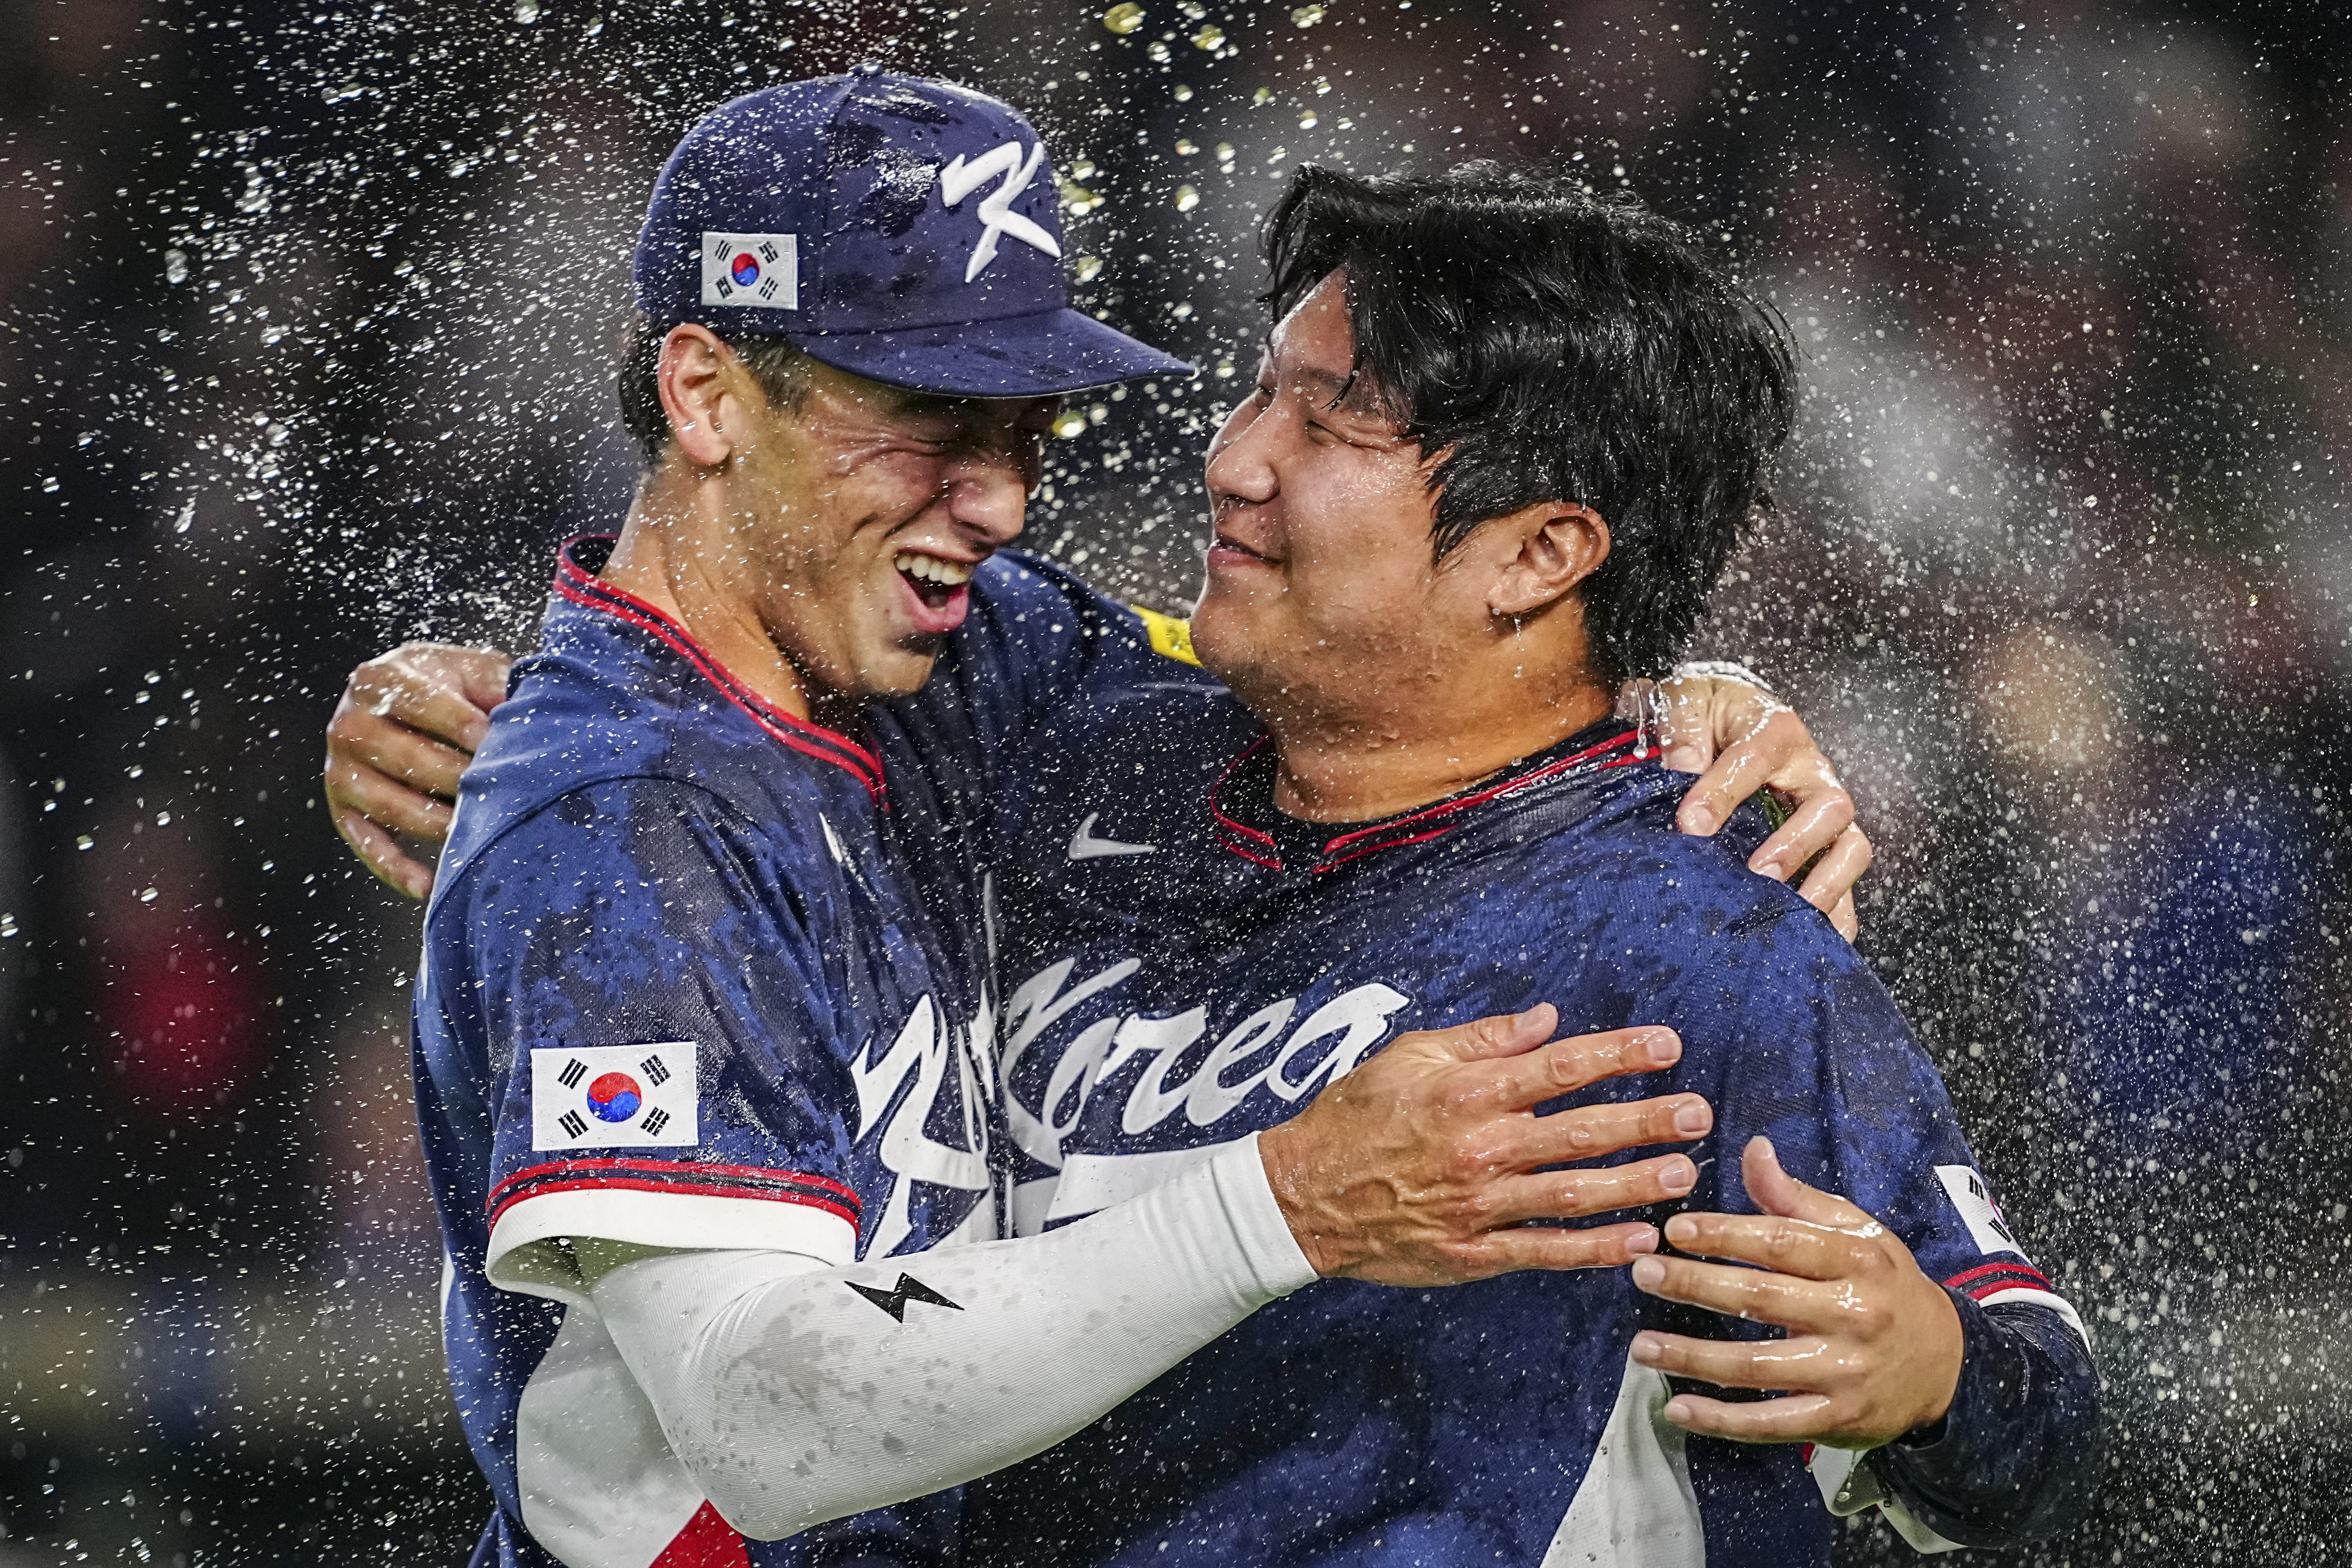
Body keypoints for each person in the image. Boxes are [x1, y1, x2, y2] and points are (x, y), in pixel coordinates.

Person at [387, 73, 1859, 1568]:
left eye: (1025, 428)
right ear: (707, 394)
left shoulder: (966, 653)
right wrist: (1285, 1205)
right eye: (930, 423)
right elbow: (762, 1423)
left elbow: (1379, 678)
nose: (1000, 504)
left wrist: (1655, 695)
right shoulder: (623, 829)